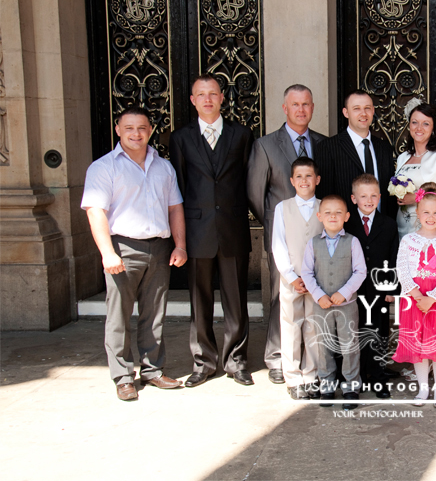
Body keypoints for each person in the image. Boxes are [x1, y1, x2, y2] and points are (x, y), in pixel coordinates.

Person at [81, 106, 187, 401]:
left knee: (154, 314)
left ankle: (153, 370)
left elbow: (175, 208)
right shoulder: (104, 167)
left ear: (150, 131)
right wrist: (107, 253)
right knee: (119, 315)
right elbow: (95, 211)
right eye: (129, 128)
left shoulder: (163, 167)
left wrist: (180, 245)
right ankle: (123, 377)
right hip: (123, 248)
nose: (136, 134)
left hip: (159, 248)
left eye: (141, 128)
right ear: (118, 130)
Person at [170, 74, 255, 388]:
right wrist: (179, 237)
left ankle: (236, 361)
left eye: (213, 94)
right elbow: (178, 187)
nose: (207, 99)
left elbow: (248, 180)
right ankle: (203, 362)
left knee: (236, 301)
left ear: (222, 98)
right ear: (193, 100)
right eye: (201, 94)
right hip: (196, 231)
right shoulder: (180, 138)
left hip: (233, 228)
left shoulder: (241, 134)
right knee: (199, 300)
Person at [247, 84, 327, 385]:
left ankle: (310, 357)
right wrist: (276, 222)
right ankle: (277, 356)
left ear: (312, 107)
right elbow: (255, 193)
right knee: (282, 296)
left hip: (316, 233)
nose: (301, 110)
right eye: (295, 104)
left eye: (306, 104)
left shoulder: (322, 143)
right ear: (285, 108)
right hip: (284, 232)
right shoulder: (266, 145)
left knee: (314, 298)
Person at [393, 183, 436, 408]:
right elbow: (402, 269)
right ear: (418, 214)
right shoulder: (408, 241)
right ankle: (423, 389)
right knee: (418, 346)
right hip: (414, 299)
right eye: (426, 212)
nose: (431, 217)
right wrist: (415, 294)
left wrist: (432, 297)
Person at [301, 195, 368, 410]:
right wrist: (318, 295)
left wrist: (344, 292)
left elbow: (360, 271)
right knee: (324, 346)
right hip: (321, 305)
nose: (333, 216)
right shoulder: (313, 243)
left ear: (346, 217)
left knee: (350, 346)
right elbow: (306, 272)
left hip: (347, 306)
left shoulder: (352, 242)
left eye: (338, 212)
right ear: (319, 216)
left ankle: (351, 387)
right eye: (328, 212)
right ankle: (327, 385)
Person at [271, 157, 324, 400]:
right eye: (299, 177)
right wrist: (291, 276)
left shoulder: (324, 207)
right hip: (290, 279)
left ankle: (312, 374)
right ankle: (292, 377)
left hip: (317, 281)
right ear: (292, 181)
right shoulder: (282, 208)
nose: (304, 181)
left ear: (317, 179)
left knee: (314, 326)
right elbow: (278, 244)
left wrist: (317, 278)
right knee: (291, 325)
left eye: (309, 176)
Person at [344, 174, 400, 399]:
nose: (369, 200)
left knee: (379, 330)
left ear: (380, 197)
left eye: (373, 196)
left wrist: (392, 288)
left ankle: (377, 376)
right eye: (363, 196)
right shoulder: (347, 223)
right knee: (355, 330)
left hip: (380, 289)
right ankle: (356, 375)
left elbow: (394, 256)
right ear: (354, 198)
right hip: (353, 288)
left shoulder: (388, 224)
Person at [317, 90, 397, 221]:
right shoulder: (328, 147)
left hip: (381, 227)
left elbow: (389, 196)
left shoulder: (384, 148)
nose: (363, 113)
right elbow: (325, 195)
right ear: (346, 112)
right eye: (356, 108)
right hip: (346, 227)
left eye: (367, 108)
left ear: (373, 111)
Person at [394, 101, 436, 238]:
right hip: (403, 227)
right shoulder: (402, 158)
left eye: (426, 123)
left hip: (432, 228)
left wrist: (416, 198)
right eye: (414, 122)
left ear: (433, 128)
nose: (419, 128)